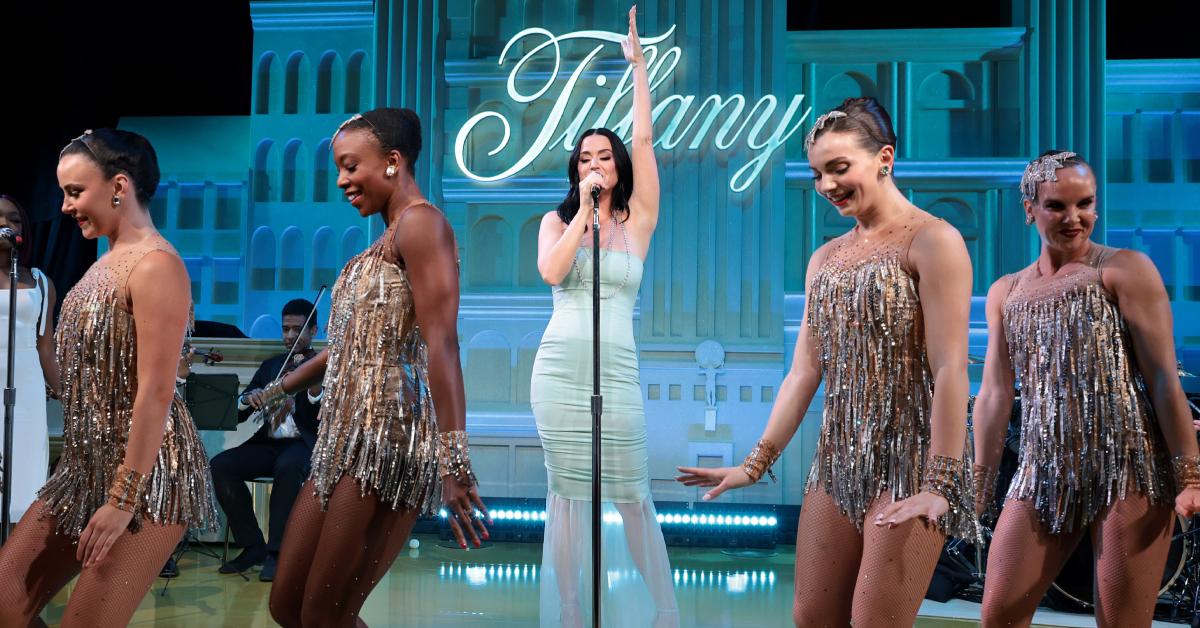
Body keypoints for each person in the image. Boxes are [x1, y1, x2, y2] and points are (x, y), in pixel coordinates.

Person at [677, 97, 979, 626]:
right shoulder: (825, 258)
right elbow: (804, 372)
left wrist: (941, 483)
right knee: (812, 616)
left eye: (839, 168)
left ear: (884, 158)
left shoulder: (934, 240)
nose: (826, 186)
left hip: (913, 458)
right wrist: (755, 465)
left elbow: (951, 369)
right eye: (818, 173)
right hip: (837, 456)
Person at [267, 107, 487, 627]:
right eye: (338, 169)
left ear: (392, 161)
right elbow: (347, 348)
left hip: (386, 440)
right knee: (287, 607)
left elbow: (443, 344)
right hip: (342, 439)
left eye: (350, 166)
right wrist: (280, 389)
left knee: (325, 613)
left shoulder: (422, 224)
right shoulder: (387, 235)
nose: (342, 180)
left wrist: (453, 460)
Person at [972, 150, 1200, 626]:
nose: (1075, 218)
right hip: (1041, 471)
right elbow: (994, 394)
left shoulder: (1124, 270)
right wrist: (979, 483)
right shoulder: (1005, 292)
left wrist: (1190, 476)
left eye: (1086, 203)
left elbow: (1162, 379)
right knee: (998, 614)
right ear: (1029, 208)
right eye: (1057, 205)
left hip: (1130, 468)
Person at [0, 128, 216, 626]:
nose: (66, 206)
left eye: (75, 192)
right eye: (63, 193)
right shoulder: (109, 259)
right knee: (6, 596)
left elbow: (156, 391)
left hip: (147, 478)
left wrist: (123, 499)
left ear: (119, 186)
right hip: (82, 468)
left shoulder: (156, 264)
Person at [530, 8, 678, 627]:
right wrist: (584, 217)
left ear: (618, 167)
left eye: (605, 157)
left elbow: (644, 140)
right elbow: (553, 274)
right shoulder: (558, 222)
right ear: (577, 171)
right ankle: (570, 614)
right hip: (558, 369)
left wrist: (640, 68)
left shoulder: (638, 220)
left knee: (632, 498)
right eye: (585, 158)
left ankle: (665, 614)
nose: (596, 165)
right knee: (566, 500)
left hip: (616, 371)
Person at [210, 298, 322, 581]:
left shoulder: (321, 365)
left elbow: (323, 412)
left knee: (288, 467)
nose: (289, 336)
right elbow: (239, 412)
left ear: (314, 331)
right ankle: (253, 546)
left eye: (297, 330)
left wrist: (313, 386)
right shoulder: (271, 366)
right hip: (268, 443)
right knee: (221, 465)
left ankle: (277, 553)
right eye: (285, 329)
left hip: (302, 445)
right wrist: (249, 399)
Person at [0, 194, 58, 524]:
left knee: (24, 471)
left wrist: (68, 395)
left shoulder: (39, 281)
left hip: (26, 385)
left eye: (14, 219)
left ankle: (13, 562)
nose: (5, 224)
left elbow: (45, 347)